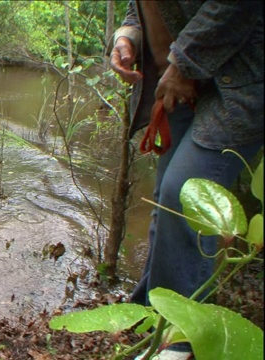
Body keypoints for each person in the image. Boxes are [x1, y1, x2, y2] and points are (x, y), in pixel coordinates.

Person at [110, 1, 263, 359]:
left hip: (237, 84)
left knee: (183, 195)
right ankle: (153, 315)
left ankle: (179, 344)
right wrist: (127, 37)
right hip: (176, 85)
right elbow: (142, 9)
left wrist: (183, 63)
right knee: (166, 202)